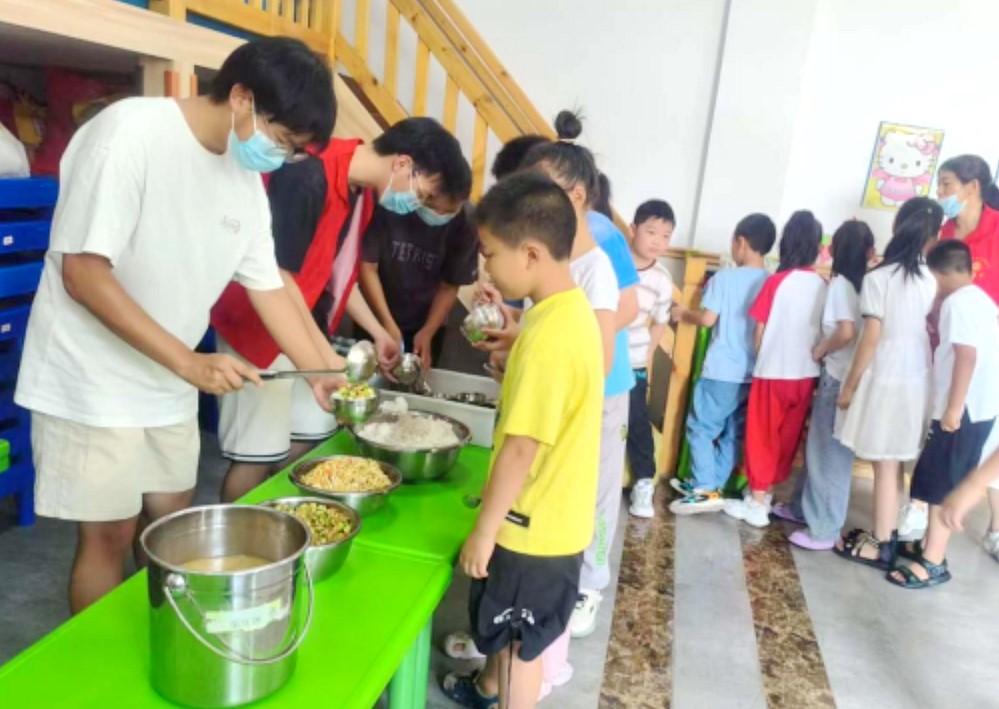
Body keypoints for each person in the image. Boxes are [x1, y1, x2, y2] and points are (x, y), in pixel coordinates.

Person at [14, 38, 345, 613]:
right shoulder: (130, 134)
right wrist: (188, 362)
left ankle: (163, 631)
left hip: (167, 377)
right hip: (91, 375)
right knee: (110, 534)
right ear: (241, 97)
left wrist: (320, 372)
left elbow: (268, 286)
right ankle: (101, 661)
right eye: (283, 141)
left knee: (171, 522)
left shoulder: (243, 181)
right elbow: (83, 274)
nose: (282, 156)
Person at [210, 117, 471, 502]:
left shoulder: (360, 191)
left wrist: (378, 332)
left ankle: (282, 518)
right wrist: (323, 359)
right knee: (255, 455)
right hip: (258, 327)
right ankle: (241, 528)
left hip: (301, 325)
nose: (418, 205)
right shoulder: (309, 174)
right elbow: (278, 279)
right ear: (403, 164)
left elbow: (333, 273)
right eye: (424, 195)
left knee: (309, 439)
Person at [440, 173, 604, 709]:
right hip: (559, 518)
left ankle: (504, 696)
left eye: (490, 253)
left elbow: (520, 448)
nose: (485, 266)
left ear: (530, 253)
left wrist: (484, 532)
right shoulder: (565, 311)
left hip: (531, 528)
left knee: (518, 648)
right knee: (512, 639)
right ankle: (487, 691)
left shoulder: (548, 338)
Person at [520, 113, 636, 639]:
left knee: (598, 488)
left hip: (603, 388)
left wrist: (571, 347)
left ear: (578, 194)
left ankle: (590, 583)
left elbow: (626, 307)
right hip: (562, 386)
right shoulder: (549, 234)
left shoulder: (603, 238)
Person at [834, 197, 942, 569]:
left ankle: (881, 544)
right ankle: (888, 533)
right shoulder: (931, 279)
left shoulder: (879, 278)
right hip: (919, 372)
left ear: (897, 227)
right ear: (934, 237)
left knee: (884, 461)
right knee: (894, 459)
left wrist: (850, 385)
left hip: (886, 373)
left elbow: (871, 337)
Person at [886, 241, 999, 588]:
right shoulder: (981, 299)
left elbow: (966, 356)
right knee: (939, 477)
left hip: (963, 410)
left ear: (939, 273)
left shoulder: (958, 303)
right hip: (979, 407)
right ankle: (929, 547)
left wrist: (952, 408)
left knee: (939, 484)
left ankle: (933, 561)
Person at [771, 221, 875, 549]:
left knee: (829, 455)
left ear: (833, 250)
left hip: (837, 378)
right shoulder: (867, 283)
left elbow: (846, 332)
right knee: (818, 451)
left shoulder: (841, 284)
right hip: (851, 377)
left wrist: (820, 349)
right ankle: (801, 508)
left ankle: (825, 529)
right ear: (869, 252)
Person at [724, 211, 827, 528]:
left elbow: (759, 329)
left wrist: (761, 357)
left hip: (773, 372)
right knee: (786, 438)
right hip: (806, 375)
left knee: (762, 436)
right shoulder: (823, 284)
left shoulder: (776, 281)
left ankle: (756, 503)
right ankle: (766, 495)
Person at [669, 214, 774, 515]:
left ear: (741, 242)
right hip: (753, 373)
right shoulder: (771, 281)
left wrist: (682, 314)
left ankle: (704, 487)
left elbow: (707, 319)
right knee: (733, 433)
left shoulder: (724, 279)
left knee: (701, 428)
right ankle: (712, 485)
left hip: (722, 371)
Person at [934, 155, 999, 562]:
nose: (941, 193)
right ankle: (930, 519)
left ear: (973, 187)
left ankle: (996, 527)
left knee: (989, 436)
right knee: (946, 431)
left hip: (989, 352)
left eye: (947, 184)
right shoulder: (944, 231)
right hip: (949, 346)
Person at [357, 203, 479, 371]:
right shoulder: (392, 202)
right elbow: (367, 268)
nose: (439, 214)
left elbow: (449, 285)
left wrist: (428, 331)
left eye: (449, 210)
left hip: (427, 318)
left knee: (417, 373)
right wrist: (385, 323)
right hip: (373, 313)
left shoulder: (466, 222)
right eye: (433, 203)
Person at [625, 199, 675, 518]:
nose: (658, 241)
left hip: (633, 363)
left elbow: (660, 320)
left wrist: (646, 353)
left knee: (637, 420)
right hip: (599, 358)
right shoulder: (613, 263)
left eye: (666, 236)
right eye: (651, 231)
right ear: (633, 229)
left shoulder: (661, 279)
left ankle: (644, 482)